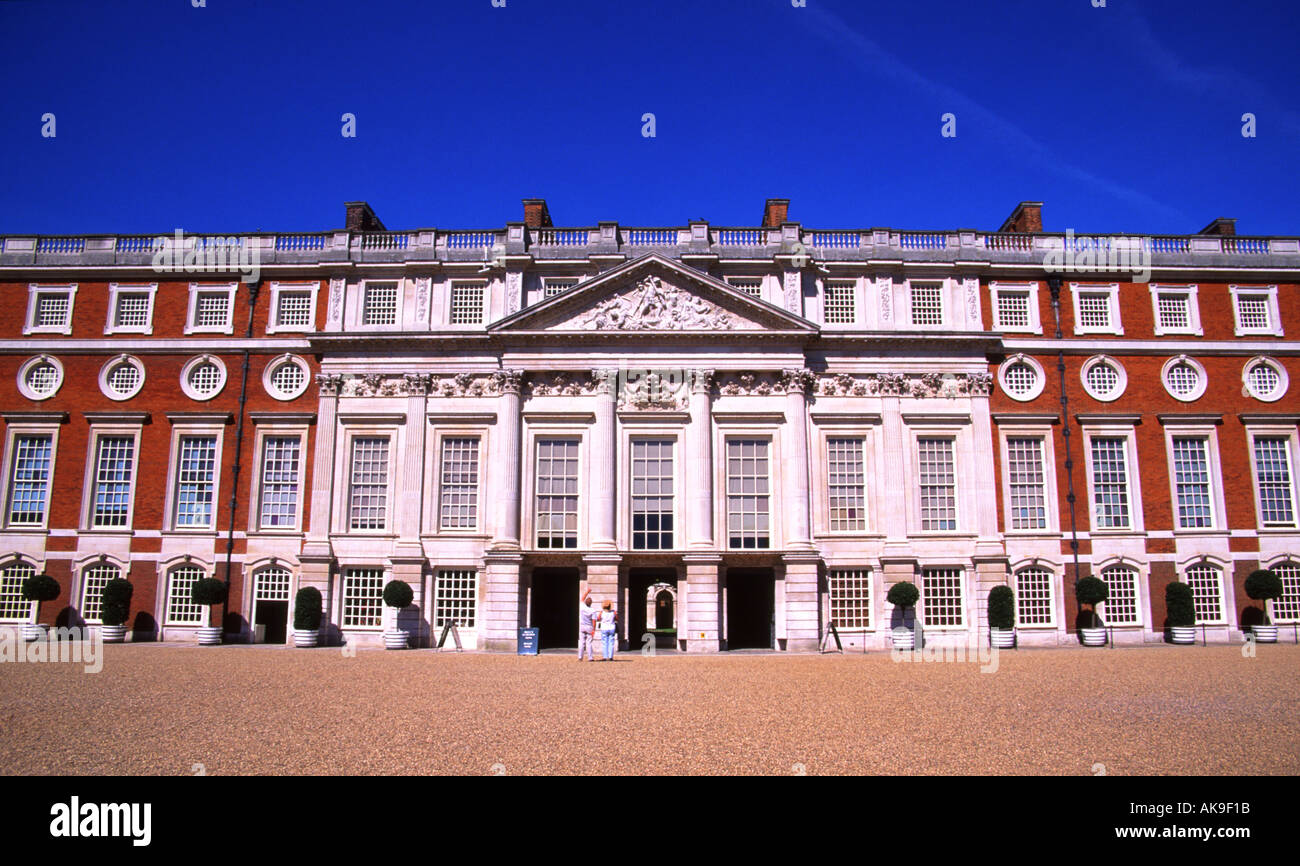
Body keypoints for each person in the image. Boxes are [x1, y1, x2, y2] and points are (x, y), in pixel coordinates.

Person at [577, 591, 596, 662]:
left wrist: (587, 591)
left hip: (582, 626)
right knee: (589, 643)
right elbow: (594, 621)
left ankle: (580, 657)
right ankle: (590, 657)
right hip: (589, 626)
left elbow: (582, 598)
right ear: (591, 603)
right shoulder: (593, 610)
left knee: (581, 642)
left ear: (585, 603)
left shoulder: (582, 607)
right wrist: (594, 630)